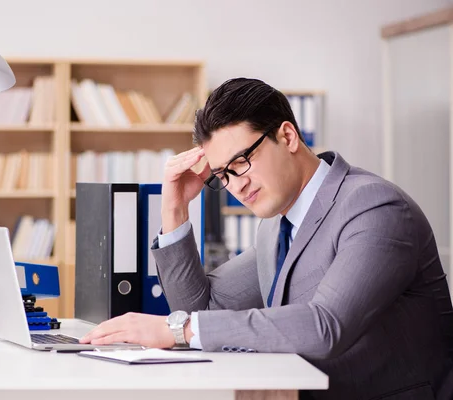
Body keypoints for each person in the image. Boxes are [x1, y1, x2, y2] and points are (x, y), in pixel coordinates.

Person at [80, 78, 453, 399]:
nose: (235, 185)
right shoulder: (276, 224)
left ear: (287, 135)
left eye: (241, 161)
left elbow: (325, 326)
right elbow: (205, 310)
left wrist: (176, 329)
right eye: (222, 175)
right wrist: (174, 210)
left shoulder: (373, 207)